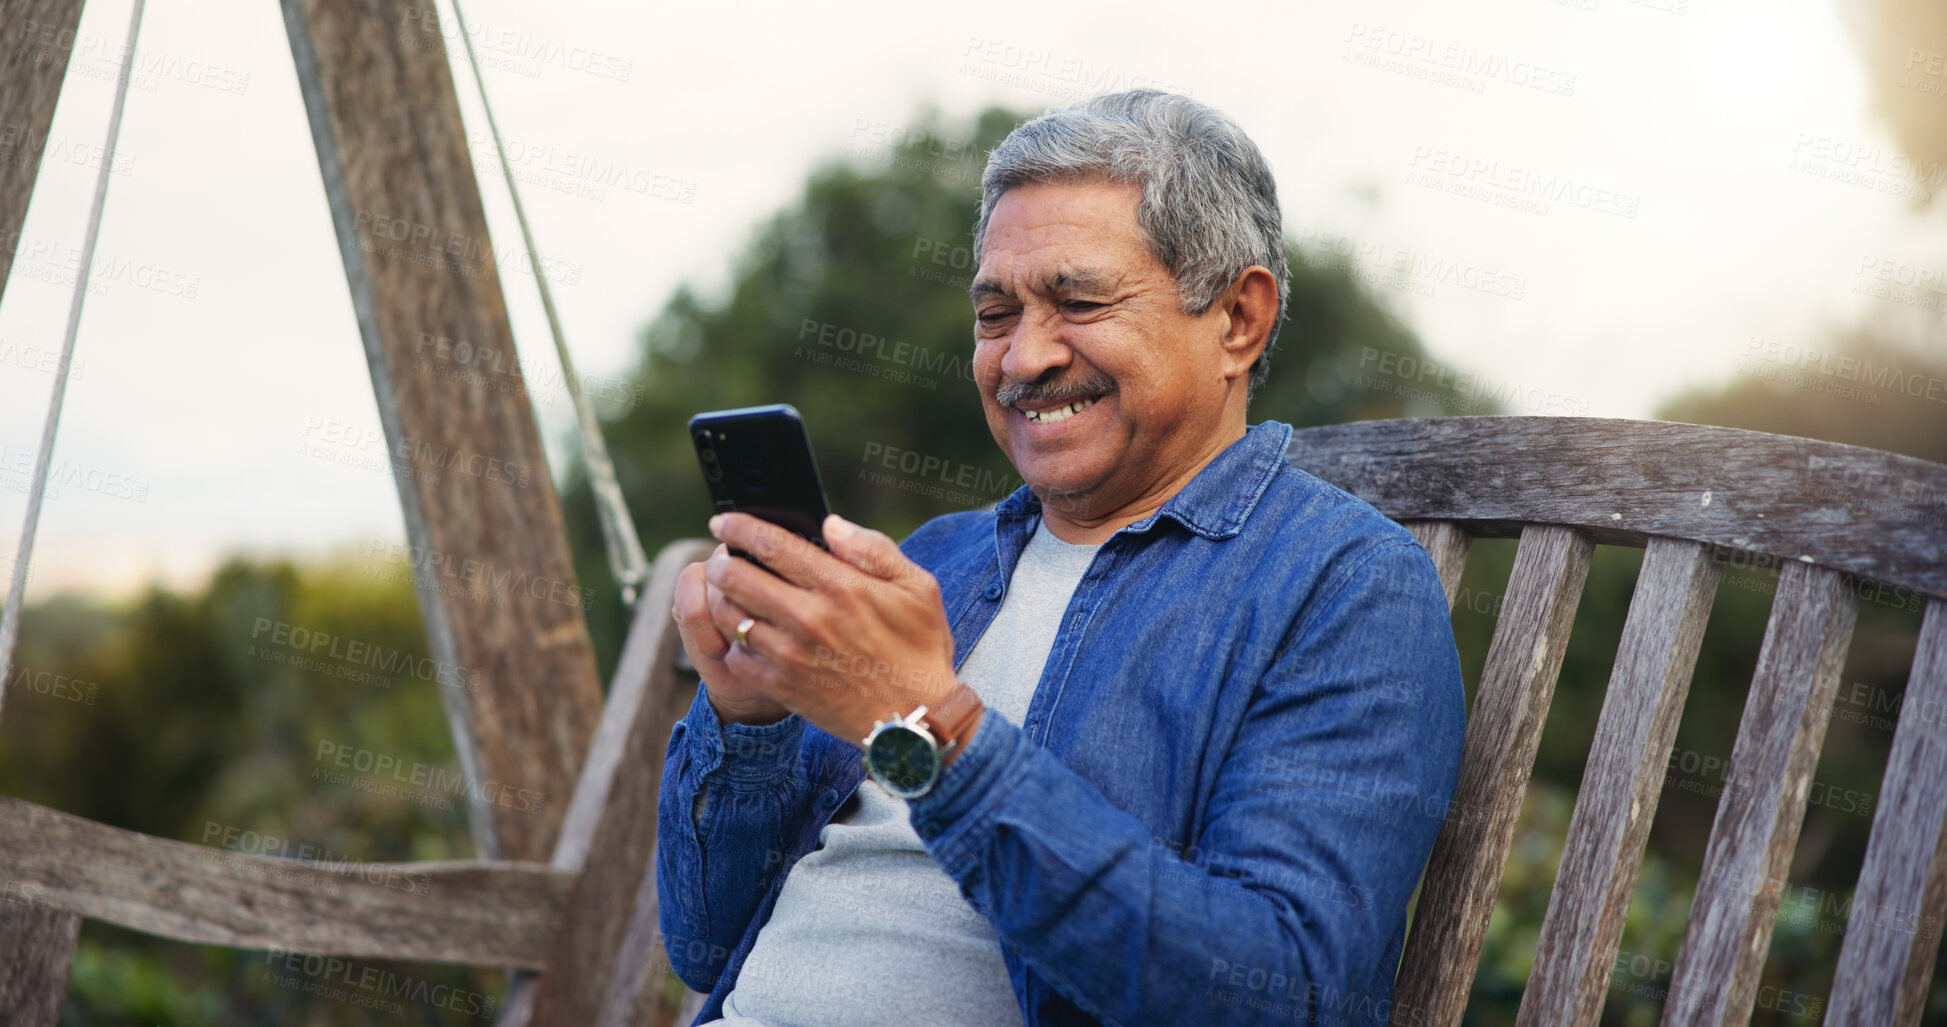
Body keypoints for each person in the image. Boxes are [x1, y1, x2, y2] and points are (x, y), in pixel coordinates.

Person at [660, 89, 1465, 1027]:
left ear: (1238, 320)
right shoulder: (934, 566)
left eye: (1079, 301)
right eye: (995, 313)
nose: (1023, 357)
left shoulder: (1341, 589)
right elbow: (709, 945)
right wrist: (748, 717)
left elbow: (1273, 994)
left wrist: (928, 728)